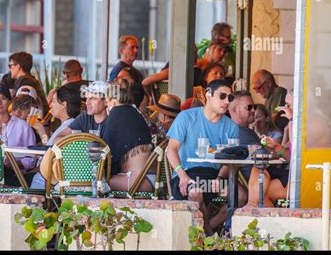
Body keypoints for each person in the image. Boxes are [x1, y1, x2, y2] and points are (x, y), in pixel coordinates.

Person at [166, 79, 239, 235]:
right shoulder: (186, 117)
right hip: (187, 174)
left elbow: (230, 161)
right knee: (195, 192)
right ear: (208, 95)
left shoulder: (232, 127)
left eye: (230, 98)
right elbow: (171, 149)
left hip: (215, 176)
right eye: (222, 96)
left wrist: (219, 178)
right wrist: (182, 176)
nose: (227, 101)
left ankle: (208, 229)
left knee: (241, 196)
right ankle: (210, 237)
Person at [102, 80, 153, 192]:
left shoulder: (116, 112)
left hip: (137, 181)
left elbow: (107, 151)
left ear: (113, 102)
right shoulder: (136, 113)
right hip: (152, 178)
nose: (106, 106)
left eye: (107, 102)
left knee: (96, 183)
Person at [30, 86, 82, 189]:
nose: (50, 105)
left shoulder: (70, 127)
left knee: (16, 178)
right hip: (47, 172)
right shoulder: (65, 125)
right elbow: (48, 146)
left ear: (64, 104)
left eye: (53, 101)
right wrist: (40, 129)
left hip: (51, 175)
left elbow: (52, 152)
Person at [0, 85, 36, 181]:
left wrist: (12, 164)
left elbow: (31, 158)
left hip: (15, 175)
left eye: (3, 98)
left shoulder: (23, 126)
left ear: (10, 101)